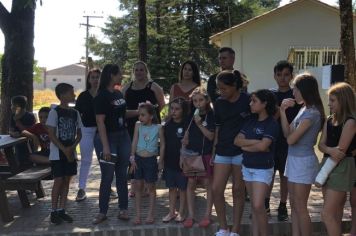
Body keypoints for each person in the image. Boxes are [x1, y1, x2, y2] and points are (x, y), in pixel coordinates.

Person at [280, 73, 325, 236]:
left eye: (295, 90)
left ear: (304, 90)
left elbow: (291, 139)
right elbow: (287, 133)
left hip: (303, 162)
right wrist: (282, 111)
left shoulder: (312, 113)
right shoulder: (303, 109)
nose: (293, 93)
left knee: (300, 206)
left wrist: (290, 134)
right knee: (294, 204)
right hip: (292, 159)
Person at [235, 89, 279, 236]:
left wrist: (246, 145)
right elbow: (237, 141)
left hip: (263, 169)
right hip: (247, 167)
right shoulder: (250, 121)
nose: (250, 103)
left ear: (265, 103)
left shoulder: (271, 123)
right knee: (254, 207)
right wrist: (254, 142)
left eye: (254, 101)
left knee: (259, 205)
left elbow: (263, 146)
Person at [92, 64, 132, 224]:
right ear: (111, 75)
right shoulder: (101, 96)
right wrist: (106, 147)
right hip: (108, 139)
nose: (121, 76)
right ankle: (102, 212)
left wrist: (140, 110)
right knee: (107, 177)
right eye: (119, 74)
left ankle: (123, 209)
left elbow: (123, 113)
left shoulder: (117, 93)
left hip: (123, 137)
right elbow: (100, 122)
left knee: (122, 175)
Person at [212, 70, 250, 236]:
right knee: (216, 189)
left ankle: (235, 229)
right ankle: (223, 228)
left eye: (224, 88)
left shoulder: (248, 100)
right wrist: (214, 150)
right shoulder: (219, 103)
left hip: (242, 152)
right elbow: (217, 128)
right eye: (219, 89)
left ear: (234, 86)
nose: (221, 92)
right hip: (223, 150)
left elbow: (267, 114)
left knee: (238, 190)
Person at [317, 82, 356, 235]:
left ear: (343, 100)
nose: (329, 104)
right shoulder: (329, 120)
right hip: (327, 164)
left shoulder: (350, 122)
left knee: (326, 214)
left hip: (342, 167)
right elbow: (321, 145)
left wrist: (330, 151)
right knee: (334, 212)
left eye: (332, 100)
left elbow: (341, 152)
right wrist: (329, 150)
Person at [122, 61, 165, 198]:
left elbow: (162, 105)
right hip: (131, 125)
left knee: (148, 151)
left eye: (142, 70)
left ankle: (148, 184)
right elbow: (121, 108)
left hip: (149, 126)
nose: (139, 72)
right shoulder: (127, 87)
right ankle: (134, 184)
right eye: (136, 70)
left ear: (146, 71)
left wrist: (149, 117)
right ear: (133, 72)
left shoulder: (153, 86)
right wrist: (137, 114)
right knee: (134, 152)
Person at [266, 60, 300, 221]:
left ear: (291, 76)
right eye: (279, 75)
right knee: (269, 174)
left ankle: (282, 204)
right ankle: (265, 203)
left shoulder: (296, 94)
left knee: (284, 175)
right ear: (274, 76)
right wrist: (280, 109)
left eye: (286, 75)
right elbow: (268, 120)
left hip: (289, 142)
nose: (282, 78)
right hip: (272, 141)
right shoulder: (270, 95)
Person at [46, 83, 83, 225]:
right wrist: (63, 149)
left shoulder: (75, 113)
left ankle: (62, 209)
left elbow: (79, 133)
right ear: (62, 95)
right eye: (71, 93)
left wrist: (72, 147)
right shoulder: (55, 112)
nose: (74, 95)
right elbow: (51, 133)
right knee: (59, 180)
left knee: (67, 180)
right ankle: (53, 210)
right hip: (58, 154)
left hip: (70, 153)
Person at [181, 87, 215, 228]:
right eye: (195, 101)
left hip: (206, 154)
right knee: (190, 184)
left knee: (208, 184)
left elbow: (211, 136)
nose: (198, 103)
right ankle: (191, 215)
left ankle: (207, 215)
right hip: (192, 155)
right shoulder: (190, 116)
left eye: (201, 100)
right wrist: (185, 141)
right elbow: (186, 135)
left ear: (207, 100)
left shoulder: (211, 115)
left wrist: (199, 124)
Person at [130, 102, 164, 225]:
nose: (140, 117)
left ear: (151, 116)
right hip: (138, 159)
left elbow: (163, 145)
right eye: (139, 115)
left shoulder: (158, 127)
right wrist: (132, 157)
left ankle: (150, 214)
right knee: (138, 187)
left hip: (151, 160)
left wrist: (161, 162)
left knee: (151, 188)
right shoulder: (138, 125)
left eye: (143, 115)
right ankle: (138, 215)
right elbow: (134, 141)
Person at [161, 97, 189, 224]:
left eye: (177, 109)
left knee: (183, 189)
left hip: (182, 163)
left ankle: (182, 212)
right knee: (171, 188)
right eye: (171, 108)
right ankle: (171, 212)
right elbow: (163, 144)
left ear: (183, 110)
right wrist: (161, 160)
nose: (173, 111)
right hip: (169, 162)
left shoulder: (187, 125)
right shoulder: (167, 125)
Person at [75, 68, 101, 202]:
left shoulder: (105, 94)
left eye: (98, 77)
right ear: (89, 79)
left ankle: (107, 187)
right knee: (86, 160)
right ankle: (81, 188)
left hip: (102, 130)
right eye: (93, 77)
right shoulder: (83, 96)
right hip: (86, 130)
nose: (95, 80)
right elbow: (76, 114)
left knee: (105, 160)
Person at [9, 95, 36, 164]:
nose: (11, 107)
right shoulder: (13, 115)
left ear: (18, 107)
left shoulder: (29, 116)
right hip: (17, 144)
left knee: (28, 160)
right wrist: (12, 133)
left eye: (12, 105)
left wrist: (17, 121)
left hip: (28, 144)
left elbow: (29, 132)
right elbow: (10, 129)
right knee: (18, 159)